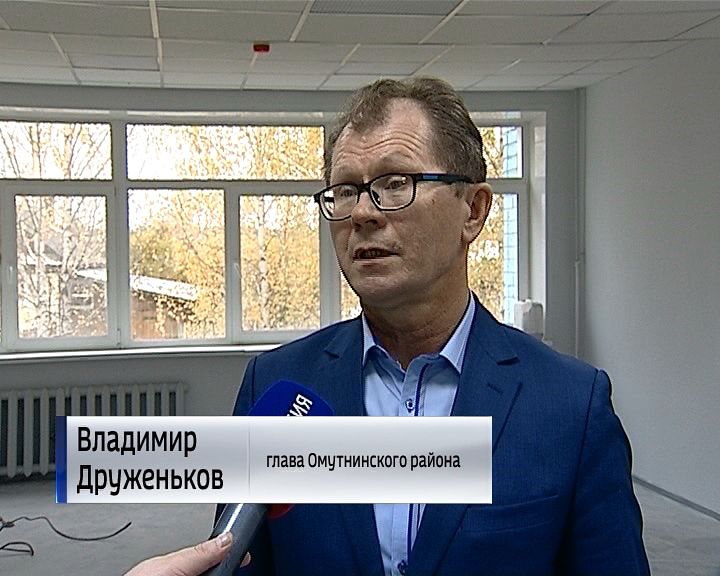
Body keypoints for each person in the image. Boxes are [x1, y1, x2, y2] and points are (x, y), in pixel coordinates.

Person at [131, 76, 650, 576]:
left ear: (473, 210)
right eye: (345, 190)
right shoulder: (275, 387)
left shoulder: (572, 405)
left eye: (395, 183)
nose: (361, 213)